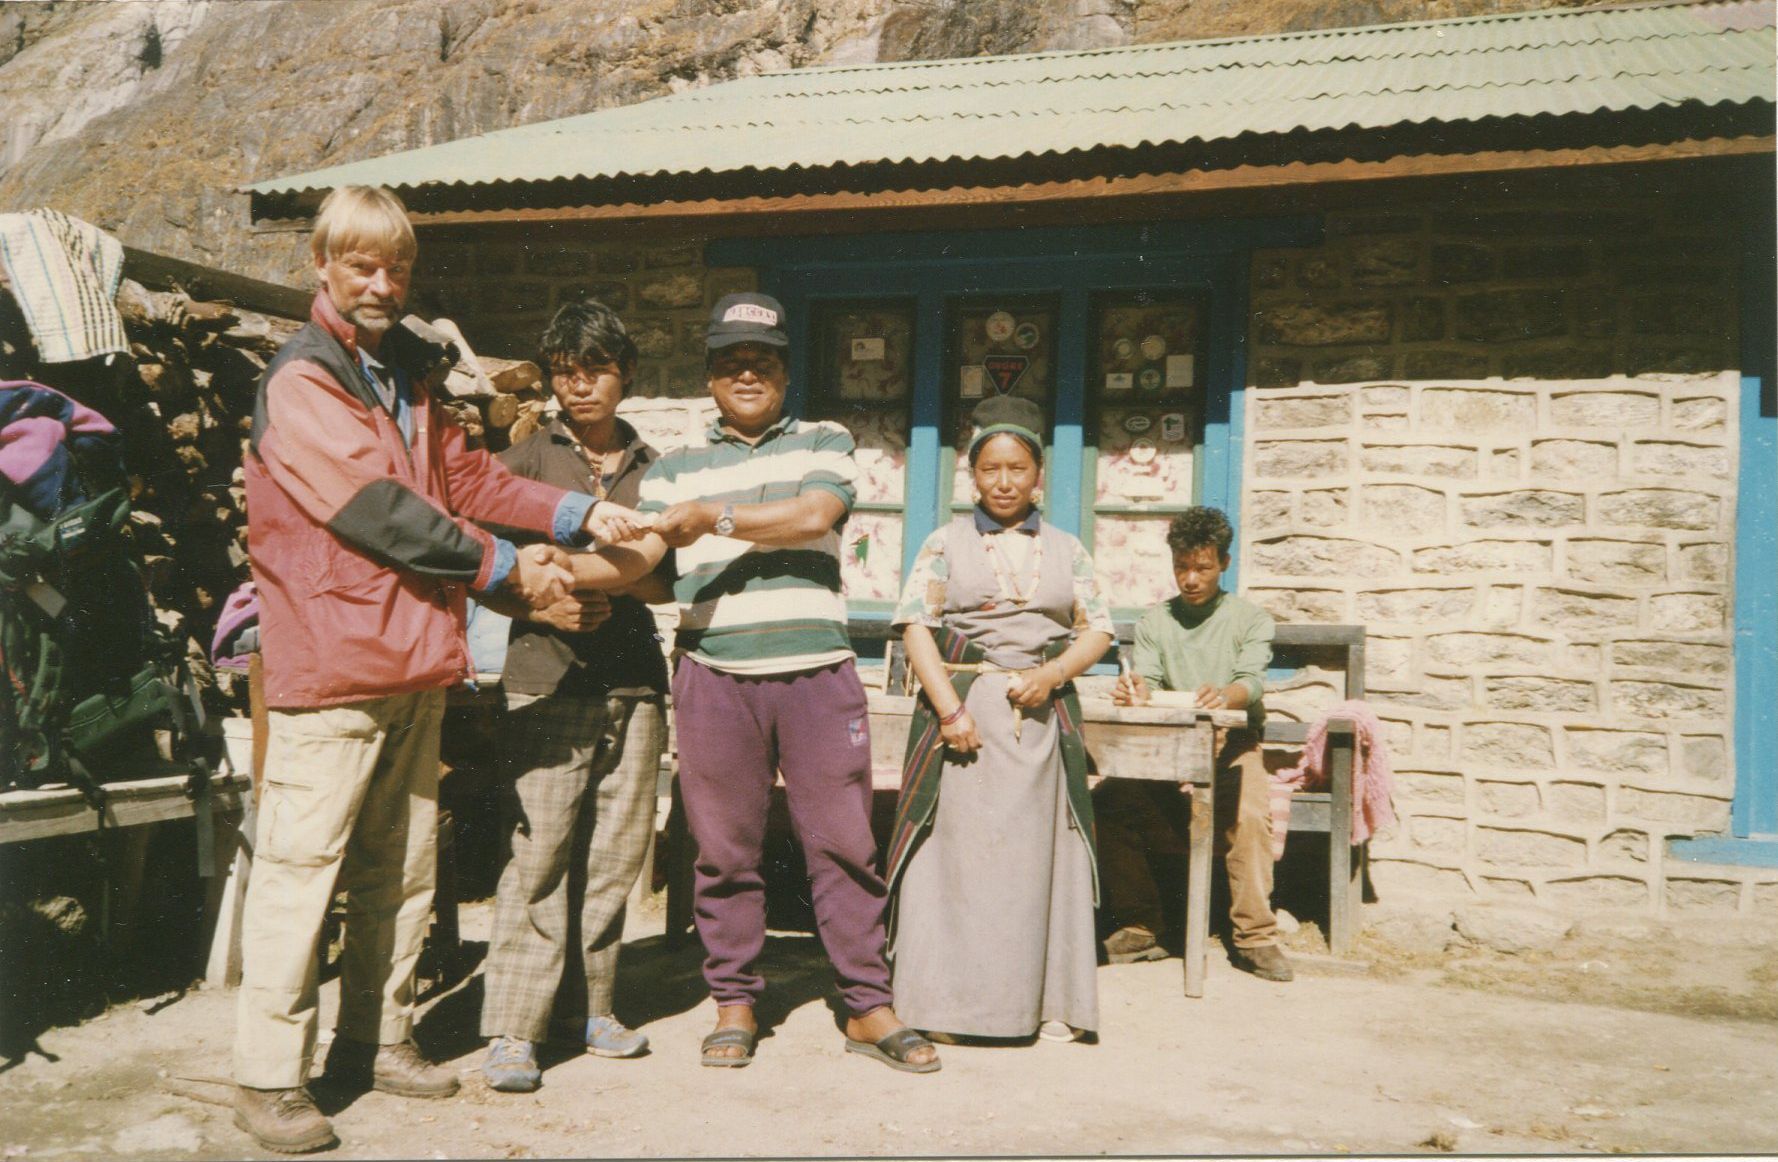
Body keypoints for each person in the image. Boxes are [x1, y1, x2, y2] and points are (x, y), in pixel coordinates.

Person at [232, 185, 641, 1154]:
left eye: (397, 268)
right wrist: (509, 570)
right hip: (331, 662)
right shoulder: (303, 382)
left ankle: (378, 1038)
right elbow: (379, 511)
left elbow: (464, 480)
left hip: (413, 656)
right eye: (362, 265)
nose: (381, 284)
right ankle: (266, 1076)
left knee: (401, 871)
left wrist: (579, 515)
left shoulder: (402, 375)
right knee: (301, 873)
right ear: (321, 267)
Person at [561, 292, 939, 1073]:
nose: (745, 372)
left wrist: (715, 519)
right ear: (709, 374)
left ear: (785, 370)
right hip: (712, 676)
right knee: (722, 850)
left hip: (816, 677)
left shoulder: (825, 440)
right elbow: (642, 566)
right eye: (730, 359)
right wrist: (546, 569)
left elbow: (814, 517)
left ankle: (867, 1006)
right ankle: (734, 1000)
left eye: (761, 359)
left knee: (842, 845)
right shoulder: (670, 473)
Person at [476, 301, 674, 1091]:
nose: (579, 385)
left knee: (615, 854)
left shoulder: (658, 469)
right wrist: (539, 601)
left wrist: (604, 585)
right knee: (539, 852)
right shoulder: (523, 458)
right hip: (543, 677)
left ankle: (589, 1010)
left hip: (634, 682)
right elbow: (480, 568)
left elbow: (666, 574)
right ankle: (514, 1030)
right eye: (564, 370)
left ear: (625, 372)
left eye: (594, 367)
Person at [884, 395, 1114, 1044]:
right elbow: (916, 630)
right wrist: (951, 710)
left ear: (1037, 474)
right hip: (963, 725)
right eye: (991, 469)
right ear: (973, 476)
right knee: (954, 867)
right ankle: (942, 1010)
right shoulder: (943, 543)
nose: (1005, 482)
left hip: (1037, 728)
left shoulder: (1068, 550)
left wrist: (1053, 675)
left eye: (1018, 469)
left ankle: (1026, 1009)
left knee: (1025, 873)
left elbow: (1098, 630)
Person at [1102, 505, 1292, 982]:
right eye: (1182, 567)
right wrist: (1135, 689)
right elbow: (1144, 677)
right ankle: (1143, 923)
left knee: (1249, 813)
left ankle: (1255, 936)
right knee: (1106, 802)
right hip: (1168, 751)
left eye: (1202, 567)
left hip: (1233, 748)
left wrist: (1226, 694)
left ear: (1224, 563)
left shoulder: (1250, 619)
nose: (1191, 578)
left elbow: (1251, 682)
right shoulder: (1156, 622)